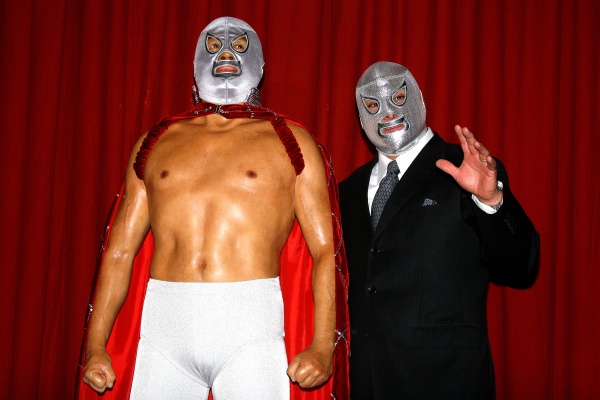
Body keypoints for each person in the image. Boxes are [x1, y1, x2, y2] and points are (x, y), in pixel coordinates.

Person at [76, 16, 349, 400]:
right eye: (214, 45)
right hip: (165, 325)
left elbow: (324, 251)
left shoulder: (290, 141)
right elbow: (119, 251)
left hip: (250, 326)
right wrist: (95, 345)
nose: (225, 54)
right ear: (195, 62)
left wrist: (323, 346)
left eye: (239, 46)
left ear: (259, 62)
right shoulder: (156, 141)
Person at [339, 61, 539, 399]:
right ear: (361, 116)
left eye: (398, 98)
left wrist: (492, 200)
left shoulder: (466, 169)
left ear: (418, 98)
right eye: (372, 105)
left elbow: (521, 266)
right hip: (367, 382)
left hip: (447, 380)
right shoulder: (348, 190)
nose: (388, 112)